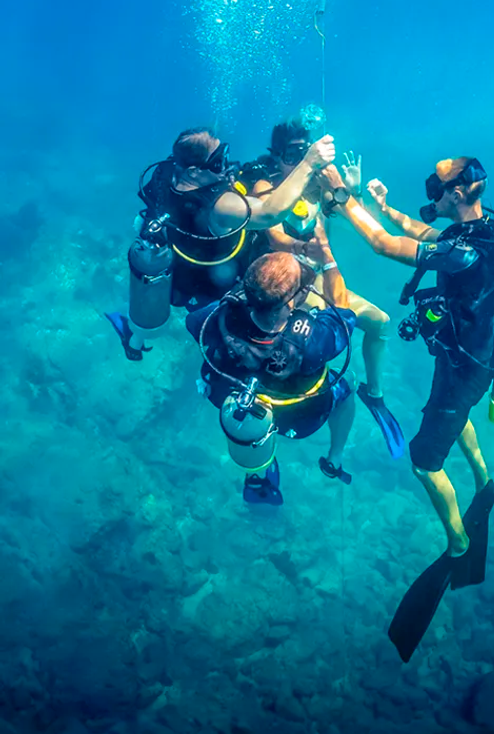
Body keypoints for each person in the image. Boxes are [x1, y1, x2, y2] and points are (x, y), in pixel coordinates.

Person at [319, 155, 494, 658]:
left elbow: (386, 245)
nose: (431, 190)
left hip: (464, 370)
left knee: (425, 462)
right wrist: (382, 205)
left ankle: (458, 544)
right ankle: (485, 482)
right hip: (470, 360)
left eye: (437, 184)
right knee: (452, 415)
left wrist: (342, 198)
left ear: (460, 193)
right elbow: (417, 229)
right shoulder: (482, 232)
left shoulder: (463, 253)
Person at [239, 114, 404, 459]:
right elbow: (274, 234)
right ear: (275, 157)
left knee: (381, 322)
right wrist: (305, 249)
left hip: (318, 281)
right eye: (289, 156)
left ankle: (373, 394)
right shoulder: (266, 188)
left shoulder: (318, 184)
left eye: (302, 155)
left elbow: (348, 216)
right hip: (284, 292)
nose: (297, 164)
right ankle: (263, 445)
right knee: (291, 373)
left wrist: (351, 190)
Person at [106, 126, 336, 360]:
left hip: (182, 274)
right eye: (218, 163)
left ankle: (135, 341)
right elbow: (270, 213)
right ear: (194, 172)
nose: (226, 166)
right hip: (218, 281)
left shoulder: (166, 174)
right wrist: (308, 163)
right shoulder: (219, 206)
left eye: (223, 155)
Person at [185, 229, 356, 506]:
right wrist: (328, 260)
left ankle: (258, 470)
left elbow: (194, 323)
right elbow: (345, 312)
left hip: (231, 398)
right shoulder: (311, 341)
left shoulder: (224, 312)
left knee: (253, 426)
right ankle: (334, 457)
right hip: (297, 417)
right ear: (290, 302)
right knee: (350, 383)